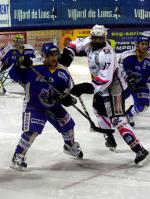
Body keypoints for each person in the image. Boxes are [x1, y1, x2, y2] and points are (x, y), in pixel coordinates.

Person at [59, 24, 149, 165]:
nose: (98, 40)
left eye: (101, 38)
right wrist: (68, 54)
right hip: (101, 85)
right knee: (98, 109)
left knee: (118, 120)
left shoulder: (108, 54)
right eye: (96, 38)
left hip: (115, 86)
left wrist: (86, 87)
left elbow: (105, 79)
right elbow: (74, 44)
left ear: (105, 38)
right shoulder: (89, 41)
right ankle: (109, 135)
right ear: (92, 36)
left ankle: (139, 149)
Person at [9, 42, 83, 171]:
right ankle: (18, 155)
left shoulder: (63, 71)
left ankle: (69, 146)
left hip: (53, 105)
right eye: (50, 55)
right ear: (44, 56)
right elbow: (13, 74)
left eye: (55, 54)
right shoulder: (33, 67)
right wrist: (19, 65)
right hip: (34, 105)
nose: (53, 58)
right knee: (32, 131)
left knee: (68, 125)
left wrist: (65, 98)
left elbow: (65, 90)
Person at [119, 35, 150, 127]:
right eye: (142, 44)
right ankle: (109, 117)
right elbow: (119, 70)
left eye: (146, 44)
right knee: (117, 102)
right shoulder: (126, 55)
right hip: (125, 84)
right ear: (136, 44)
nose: (144, 46)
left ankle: (128, 115)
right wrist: (128, 80)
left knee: (143, 106)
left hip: (141, 85)